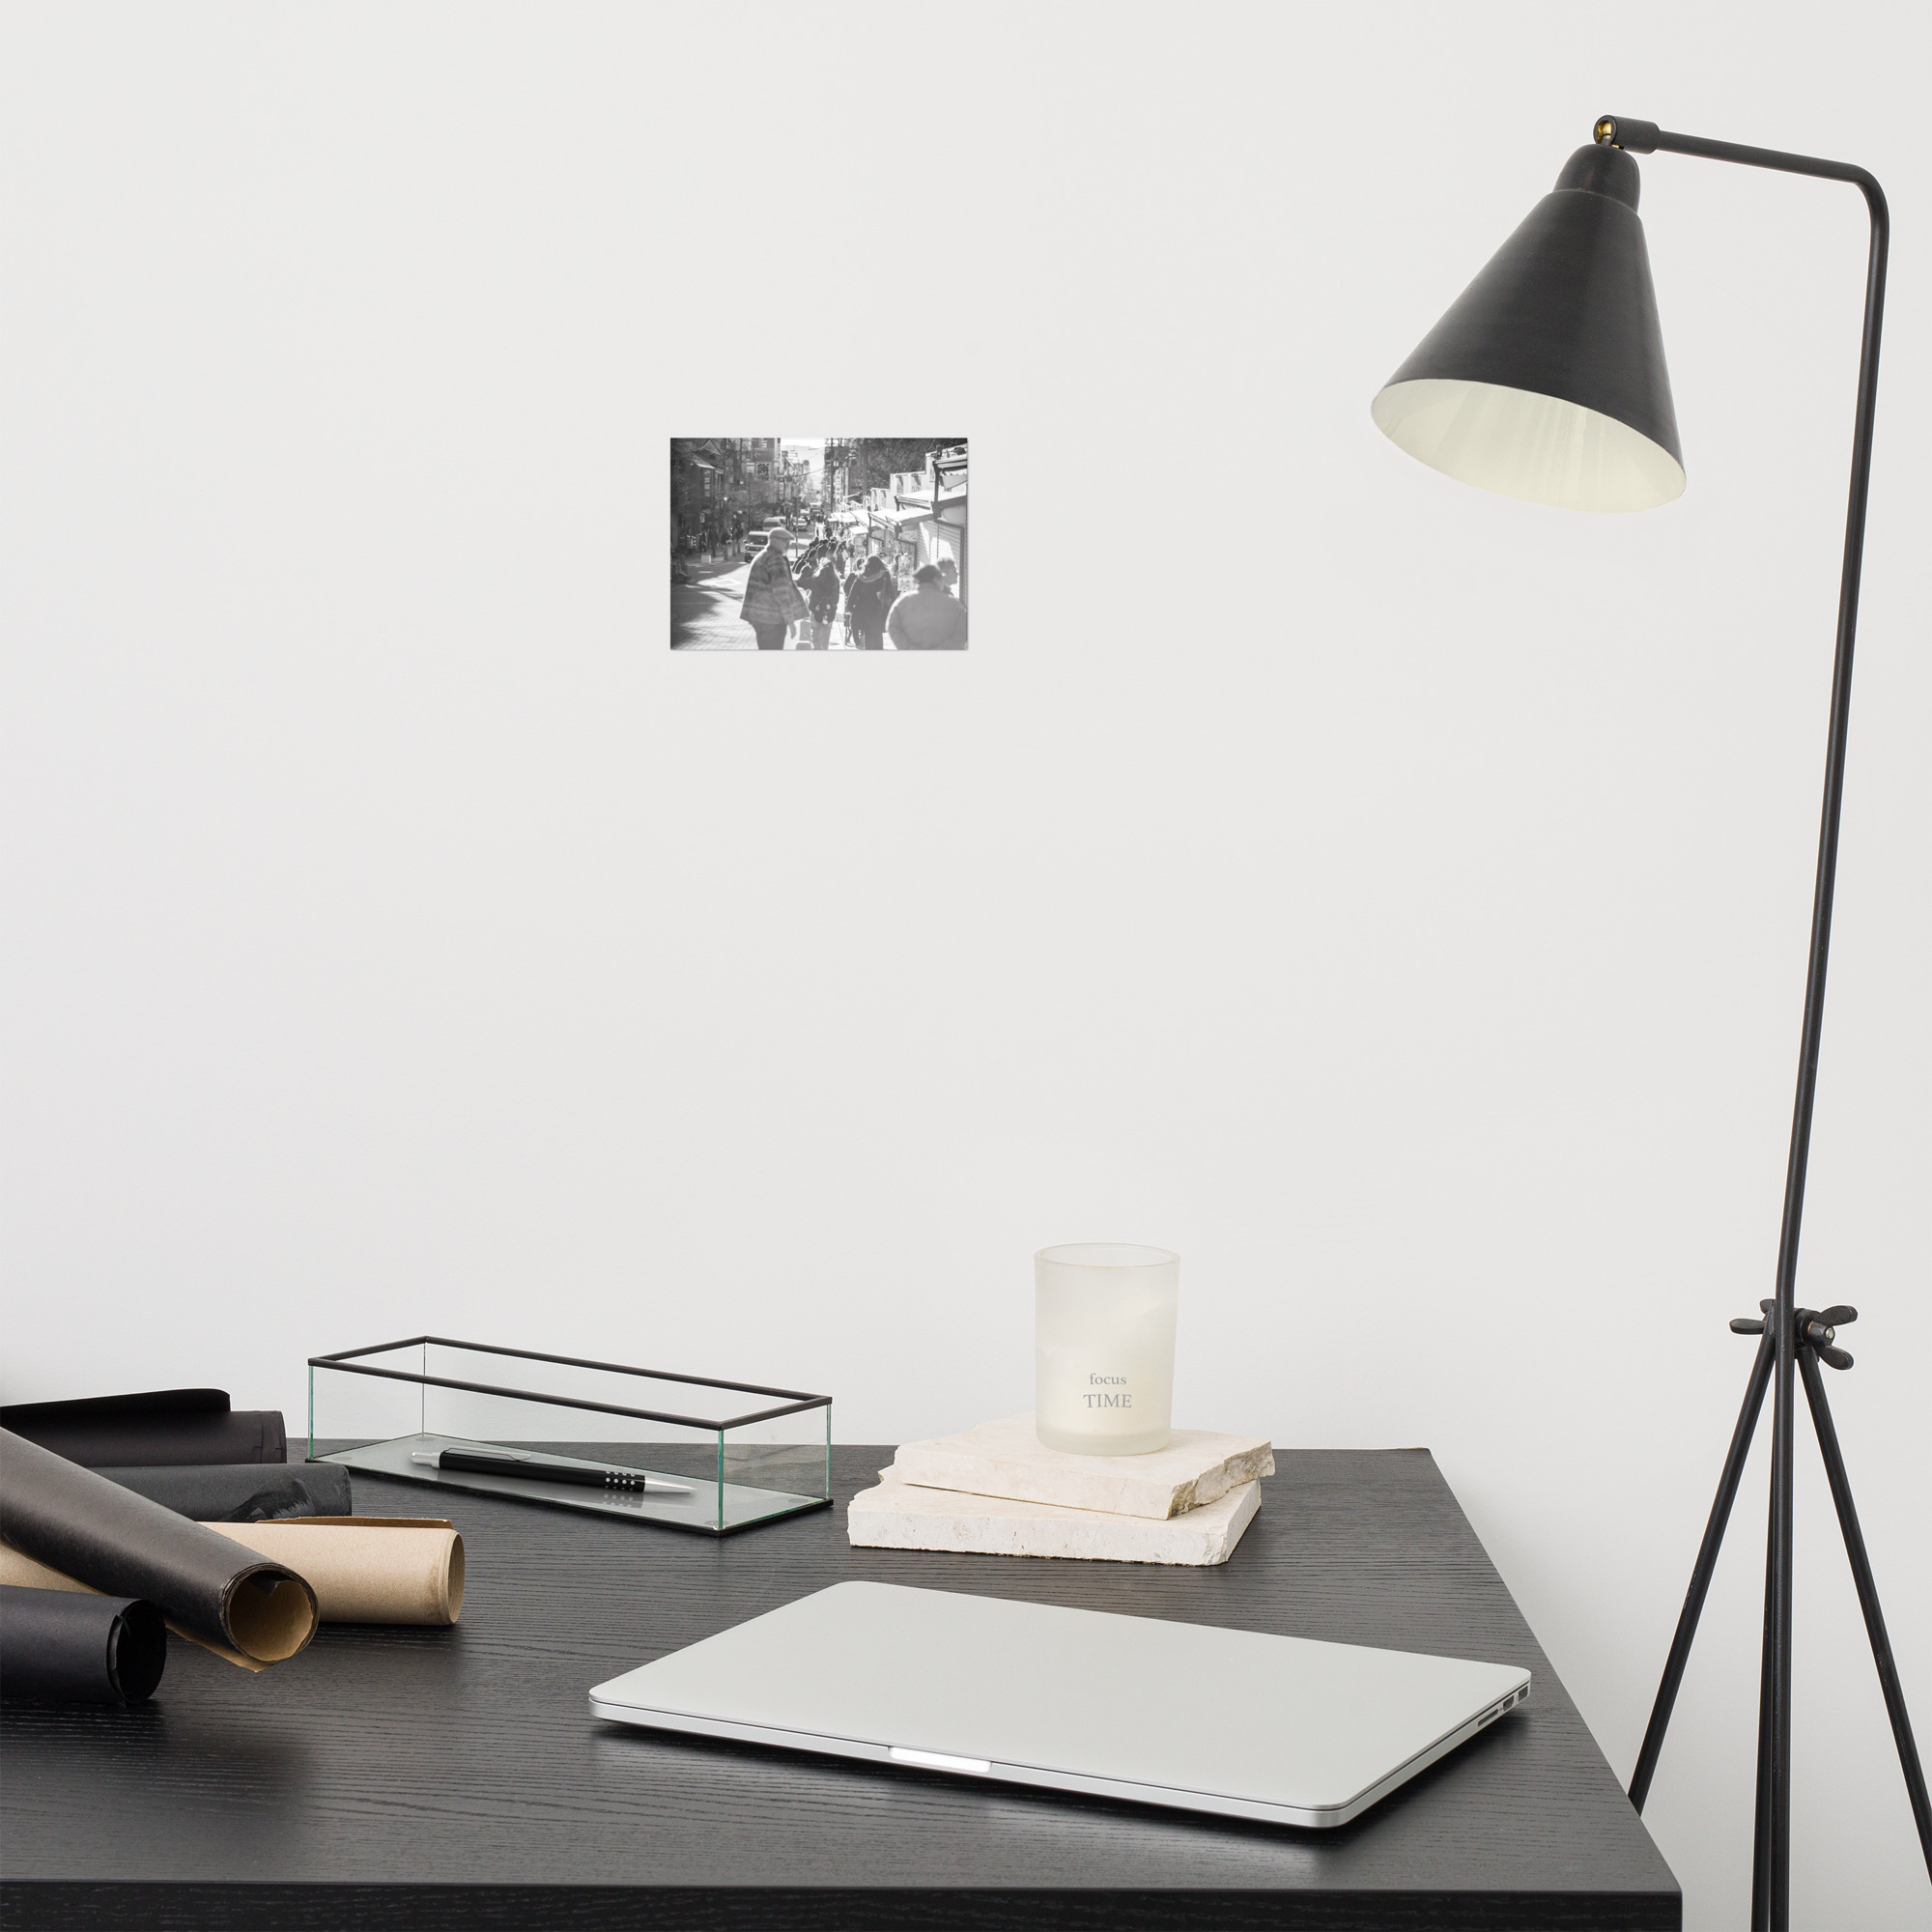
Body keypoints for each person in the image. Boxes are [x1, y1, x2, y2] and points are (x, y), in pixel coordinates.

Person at [738, 528, 804, 650]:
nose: (788, 545)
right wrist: (790, 621)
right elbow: (781, 593)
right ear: (776, 541)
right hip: (772, 619)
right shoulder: (776, 559)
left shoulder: (761, 556)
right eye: (786, 542)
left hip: (758, 618)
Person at [885, 562, 969, 650]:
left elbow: (892, 627)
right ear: (936, 580)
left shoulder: (902, 602)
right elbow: (962, 632)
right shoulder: (954, 605)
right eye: (942, 579)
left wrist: (909, 648)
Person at [843, 553, 895, 652]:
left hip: (863, 610)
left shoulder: (860, 577)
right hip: (879, 609)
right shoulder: (884, 576)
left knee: (868, 634)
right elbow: (892, 593)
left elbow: (852, 594)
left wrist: (850, 608)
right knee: (878, 633)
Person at [807, 551, 841, 648]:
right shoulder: (836, 581)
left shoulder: (816, 579)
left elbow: (812, 596)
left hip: (816, 610)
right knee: (825, 639)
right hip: (829, 612)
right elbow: (836, 599)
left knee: (815, 637)